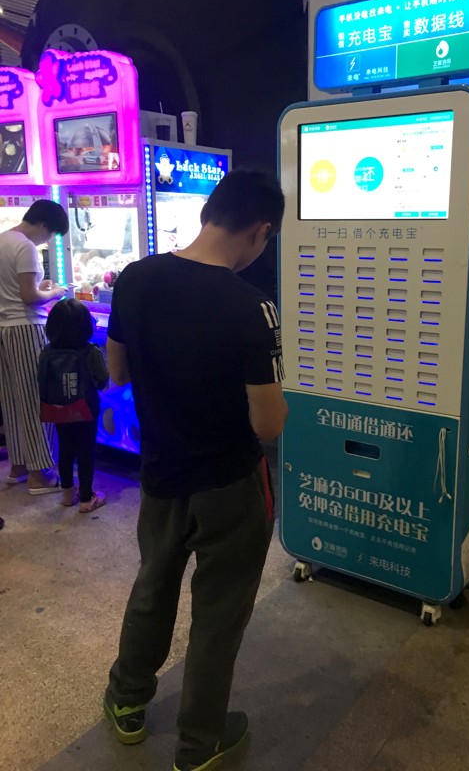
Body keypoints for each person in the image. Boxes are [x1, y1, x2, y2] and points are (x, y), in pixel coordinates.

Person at [103, 168, 288, 771]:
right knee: (219, 613)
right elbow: (269, 426)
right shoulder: (251, 307)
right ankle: (199, 744)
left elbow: (119, 374)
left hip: (159, 478)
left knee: (153, 586)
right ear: (260, 231)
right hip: (230, 487)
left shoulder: (134, 278)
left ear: (210, 211)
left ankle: (126, 702)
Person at [0, 200, 68, 493]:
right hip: (27, 327)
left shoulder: (3, 239)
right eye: (51, 234)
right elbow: (29, 297)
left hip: (4, 328)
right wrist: (55, 291)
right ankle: (40, 473)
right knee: (36, 400)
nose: (49, 240)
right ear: (43, 225)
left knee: (13, 400)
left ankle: (18, 467)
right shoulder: (26, 246)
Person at [39, 298, 109, 512]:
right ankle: (87, 499)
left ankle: (68, 494)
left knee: (66, 449)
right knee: (86, 451)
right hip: (85, 408)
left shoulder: (46, 352)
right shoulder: (90, 351)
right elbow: (102, 381)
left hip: (57, 409)